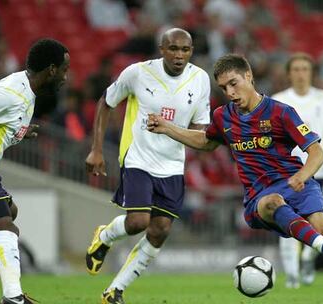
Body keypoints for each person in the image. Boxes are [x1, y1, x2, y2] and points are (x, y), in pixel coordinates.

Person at [147, 53, 323, 303]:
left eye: (234, 83)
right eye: (223, 88)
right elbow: (206, 141)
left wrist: (302, 176)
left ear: (249, 76)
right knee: (273, 202)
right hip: (260, 195)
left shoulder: (281, 112)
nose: (229, 92)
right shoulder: (223, 116)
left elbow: (317, 153)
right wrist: (168, 128)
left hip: (298, 184)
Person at [85, 28, 210, 304]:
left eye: (185, 50)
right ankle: (105, 236)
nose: (179, 55)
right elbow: (106, 103)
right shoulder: (137, 73)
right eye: (174, 49)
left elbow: (201, 127)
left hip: (173, 165)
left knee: (160, 230)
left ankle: (114, 291)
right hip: (138, 158)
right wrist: (96, 149)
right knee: (138, 222)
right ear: (162, 49)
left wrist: (174, 131)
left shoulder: (200, 79)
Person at [0, 38, 70, 304]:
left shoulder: (26, 92)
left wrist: (20, 132)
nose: (67, 76)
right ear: (52, 69)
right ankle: (12, 298)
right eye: (65, 69)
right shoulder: (10, 92)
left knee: (9, 212)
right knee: (5, 227)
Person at [272, 52, 323, 288]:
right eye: (296, 69)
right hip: (288, 172)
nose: (301, 73)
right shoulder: (278, 100)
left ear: (311, 72)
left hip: (319, 172)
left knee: (321, 223)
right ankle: (292, 276)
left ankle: (308, 259)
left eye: (305, 69)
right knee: (287, 222)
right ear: (289, 73)